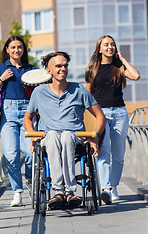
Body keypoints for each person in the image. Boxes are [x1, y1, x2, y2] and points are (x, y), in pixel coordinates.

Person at [23, 51, 106, 209]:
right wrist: (33, 137)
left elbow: (100, 115)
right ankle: (58, 191)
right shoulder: (39, 92)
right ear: (49, 70)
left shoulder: (79, 90)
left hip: (74, 138)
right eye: (58, 66)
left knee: (67, 135)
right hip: (49, 137)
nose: (63, 69)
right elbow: (27, 118)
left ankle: (69, 191)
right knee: (54, 135)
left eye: (65, 65)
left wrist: (95, 137)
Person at [85, 35, 140, 204]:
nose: (110, 47)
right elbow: (87, 95)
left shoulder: (119, 67)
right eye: (106, 45)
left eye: (112, 44)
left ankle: (114, 186)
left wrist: (122, 59)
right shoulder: (92, 69)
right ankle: (106, 189)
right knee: (103, 151)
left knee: (119, 155)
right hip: (100, 114)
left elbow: (136, 76)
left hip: (120, 113)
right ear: (99, 49)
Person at [0, 35, 37, 207]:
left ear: (24, 49)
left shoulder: (31, 69)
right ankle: (17, 192)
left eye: (19, 47)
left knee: (30, 153)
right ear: (7, 49)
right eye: (13, 47)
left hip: (27, 111)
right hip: (8, 112)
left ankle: (30, 183)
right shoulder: (0, 67)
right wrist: (1, 79)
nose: (16, 50)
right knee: (11, 155)